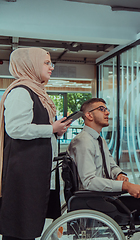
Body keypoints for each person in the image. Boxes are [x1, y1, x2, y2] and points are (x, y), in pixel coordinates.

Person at [67, 98, 140, 240]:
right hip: (94, 199)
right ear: (89, 115)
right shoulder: (83, 141)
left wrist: (119, 174)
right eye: (102, 109)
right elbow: (89, 182)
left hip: (106, 195)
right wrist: (125, 186)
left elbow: (111, 165)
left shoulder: (99, 139)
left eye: (107, 109)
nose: (107, 112)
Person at [0, 48, 72, 240]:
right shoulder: (21, 92)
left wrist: (56, 130)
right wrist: (51, 129)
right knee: (20, 226)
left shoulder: (37, 92)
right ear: (29, 64)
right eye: (46, 63)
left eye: (51, 63)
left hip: (34, 169)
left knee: (30, 223)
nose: (51, 67)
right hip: (24, 172)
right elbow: (15, 129)